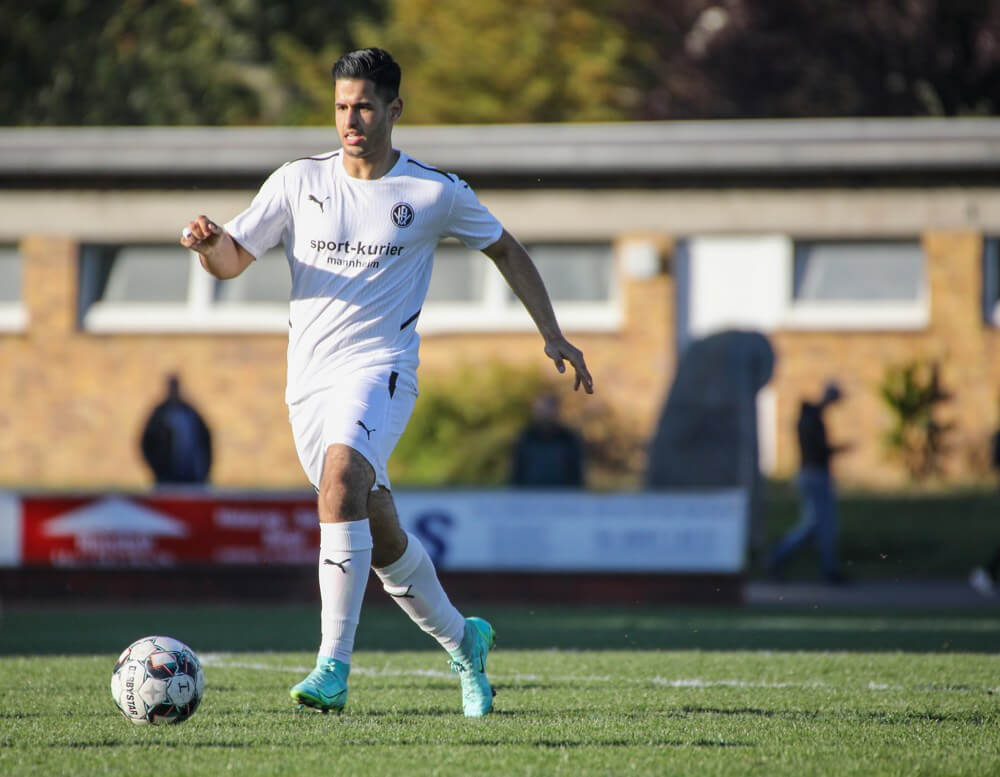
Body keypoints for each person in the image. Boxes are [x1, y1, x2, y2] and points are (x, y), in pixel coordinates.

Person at [180, 48, 593, 718]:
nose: (351, 118)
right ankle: (466, 641)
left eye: (365, 106)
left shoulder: (433, 192)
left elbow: (507, 250)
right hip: (308, 384)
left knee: (341, 478)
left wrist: (552, 332)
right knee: (379, 529)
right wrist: (206, 245)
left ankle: (331, 668)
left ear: (395, 109)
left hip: (383, 369)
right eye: (342, 105)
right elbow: (232, 259)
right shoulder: (295, 182)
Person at [767, 381, 849, 584]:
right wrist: (838, 450)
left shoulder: (811, 416)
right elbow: (817, 449)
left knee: (814, 525)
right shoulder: (811, 418)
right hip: (814, 475)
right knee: (824, 525)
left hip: (811, 475)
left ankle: (779, 557)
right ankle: (829, 571)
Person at [140, 374, 212, 485]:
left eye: (176, 386)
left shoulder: (190, 413)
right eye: (172, 387)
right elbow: (146, 443)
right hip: (166, 477)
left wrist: (204, 469)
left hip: (192, 476)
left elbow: (206, 441)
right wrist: (157, 467)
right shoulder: (159, 414)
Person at [511, 392, 584, 487]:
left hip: (562, 496)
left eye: (547, 409)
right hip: (529, 496)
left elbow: (576, 473)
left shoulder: (569, 439)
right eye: (540, 409)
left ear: (556, 411)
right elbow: (517, 471)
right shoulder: (525, 438)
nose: (543, 413)